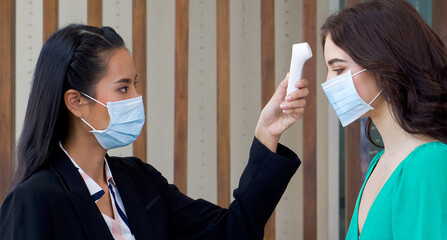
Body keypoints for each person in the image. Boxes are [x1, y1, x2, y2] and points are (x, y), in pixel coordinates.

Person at [0, 24, 309, 239]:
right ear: (76, 102)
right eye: (123, 88)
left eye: (135, 84)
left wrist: (267, 134)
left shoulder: (139, 181)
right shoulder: (34, 201)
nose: (136, 97)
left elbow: (233, 231)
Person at [320, 0, 447, 239]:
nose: (328, 83)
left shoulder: (429, 161)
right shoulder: (379, 162)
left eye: (338, 70)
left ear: (383, 64)